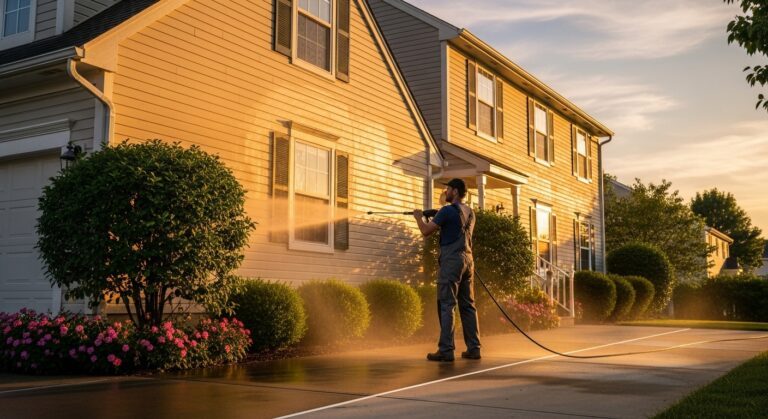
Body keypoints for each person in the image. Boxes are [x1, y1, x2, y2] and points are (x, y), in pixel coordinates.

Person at [413, 178, 481, 362]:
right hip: (468, 261)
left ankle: (446, 350)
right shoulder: (470, 213)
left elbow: (426, 231)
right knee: (468, 305)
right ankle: (474, 348)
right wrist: (437, 215)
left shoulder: (447, 211)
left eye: (448, 189)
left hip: (451, 261)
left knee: (447, 304)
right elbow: (455, 226)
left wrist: (419, 217)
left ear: (456, 191)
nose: (446, 192)